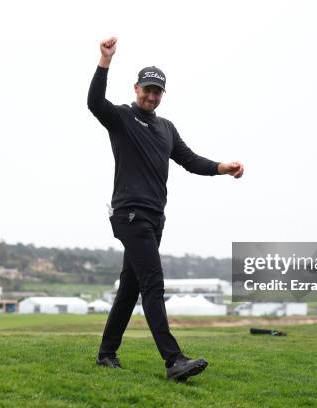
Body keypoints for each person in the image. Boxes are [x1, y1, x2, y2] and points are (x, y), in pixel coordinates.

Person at [87, 36, 244, 381]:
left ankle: (106, 354)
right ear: (136, 88)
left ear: (162, 95)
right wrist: (104, 61)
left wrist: (222, 166)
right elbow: (95, 103)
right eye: (147, 89)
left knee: (130, 288)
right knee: (153, 285)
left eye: (157, 91)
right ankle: (174, 361)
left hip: (155, 218)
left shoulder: (166, 128)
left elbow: (189, 160)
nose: (151, 96)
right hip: (130, 214)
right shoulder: (122, 118)